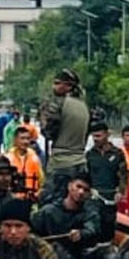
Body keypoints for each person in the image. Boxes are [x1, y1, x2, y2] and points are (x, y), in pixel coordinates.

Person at [32, 172, 101, 259]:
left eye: (86, 190)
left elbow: (92, 229)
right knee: (54, 248)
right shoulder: (48, 211)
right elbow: (32, 232)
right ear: (69, 186)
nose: (81, 192)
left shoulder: (90, 213)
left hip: (77, 256)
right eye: (78, 187)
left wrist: (81, 234)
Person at [38, 68, 91, 205]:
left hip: (60, 163)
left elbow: (48, 131)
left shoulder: (56, 103)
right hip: (80, 162)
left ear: (67, 86)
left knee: (50, 203)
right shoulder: (84, 106)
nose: (53, 86)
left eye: (57, 83)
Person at [85, 121, 128, 240]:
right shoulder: (90, 155)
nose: (96, 139)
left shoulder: (117, 153)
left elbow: (124, 175)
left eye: (99, 136)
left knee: (108, 225)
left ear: (107, 135)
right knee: (94, 222)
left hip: (111, 197)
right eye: (94, 136)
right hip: (94, 196)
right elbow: (86, 175)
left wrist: (121, 191)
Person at [6, 125, 44, 201]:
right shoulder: (7, 158)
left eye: (28, 138)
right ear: (15, 140)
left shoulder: (35, 158)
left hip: (31, 199)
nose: (25, 142)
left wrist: (38, 194)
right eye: (22, 138)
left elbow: (41, 180)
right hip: (12, 200)